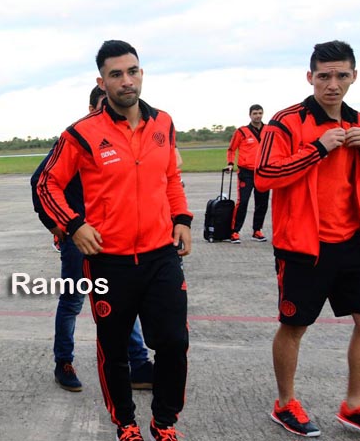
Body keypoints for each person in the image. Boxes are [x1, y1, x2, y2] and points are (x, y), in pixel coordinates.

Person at [38, 40, 191, 441]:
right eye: (116, 74)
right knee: (115, 350)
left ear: (142, 73)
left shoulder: (164, 123)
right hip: (109, 261)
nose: (127, 80)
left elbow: (170, 178)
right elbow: (45, 183)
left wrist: (182, 219)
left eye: (133, 71)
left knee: (174, 342)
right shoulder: (82, 133)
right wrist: (73, 225)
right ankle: (126, 423)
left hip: (161, 255)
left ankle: (165, 421)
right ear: (102, 81)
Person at [256, 41, 360, 441]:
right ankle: (285, 403)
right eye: (324, 76)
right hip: (303, 244)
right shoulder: (287, 122)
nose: (332, 84)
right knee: (295, 324)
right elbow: (265, 175)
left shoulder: (359, 121)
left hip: (353, 240)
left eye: (340, 75)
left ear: (353, 76)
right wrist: (316, 150)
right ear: (310, 78)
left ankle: (356, 405)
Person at [31, 84, 154, 393]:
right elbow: (39, 180)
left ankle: (138, 364)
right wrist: (57, 225)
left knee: (123, 301)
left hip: (115, 237)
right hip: (79, 238)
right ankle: (64, 362)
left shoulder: (122, 138)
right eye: (104, 106)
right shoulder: (79, 137)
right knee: (73, 301)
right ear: (92, 109)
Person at [225, 104, 270, 243]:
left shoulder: (268, 130)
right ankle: (235, 231)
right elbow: (232, 149)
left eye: (260, 113)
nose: (258, 116)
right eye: (255, 113)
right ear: (250, 115)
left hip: (263, 172)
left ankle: (257, 230)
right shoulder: (242, 132)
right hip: (246, 172)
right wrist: (231, 163)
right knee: (243, 201)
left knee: (262, 203)